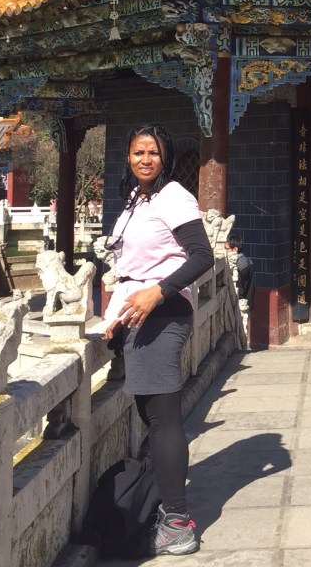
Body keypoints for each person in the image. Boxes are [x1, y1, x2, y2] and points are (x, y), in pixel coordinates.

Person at [100, 124, 213, 557]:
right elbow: (132, 268)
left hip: (162, 316)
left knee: (164, 418)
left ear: (165, 157)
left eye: (153, 152)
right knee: (151, 415)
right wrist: (116, 316)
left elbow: (202, 256)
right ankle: (166, 506)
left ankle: (178, 524)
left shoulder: (173, 196)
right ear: (128, 157)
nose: (145, 159)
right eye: (138, 152)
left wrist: (158, 292)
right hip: (138, 316)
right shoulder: (137, 198)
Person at [226, 232, 254, 350]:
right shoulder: (248, 261)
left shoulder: (240, 264)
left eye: (227, 249)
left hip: (241, 300)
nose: (226, 252)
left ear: (235, 249)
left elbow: (240, 286)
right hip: (246, 298)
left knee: (241, 326)